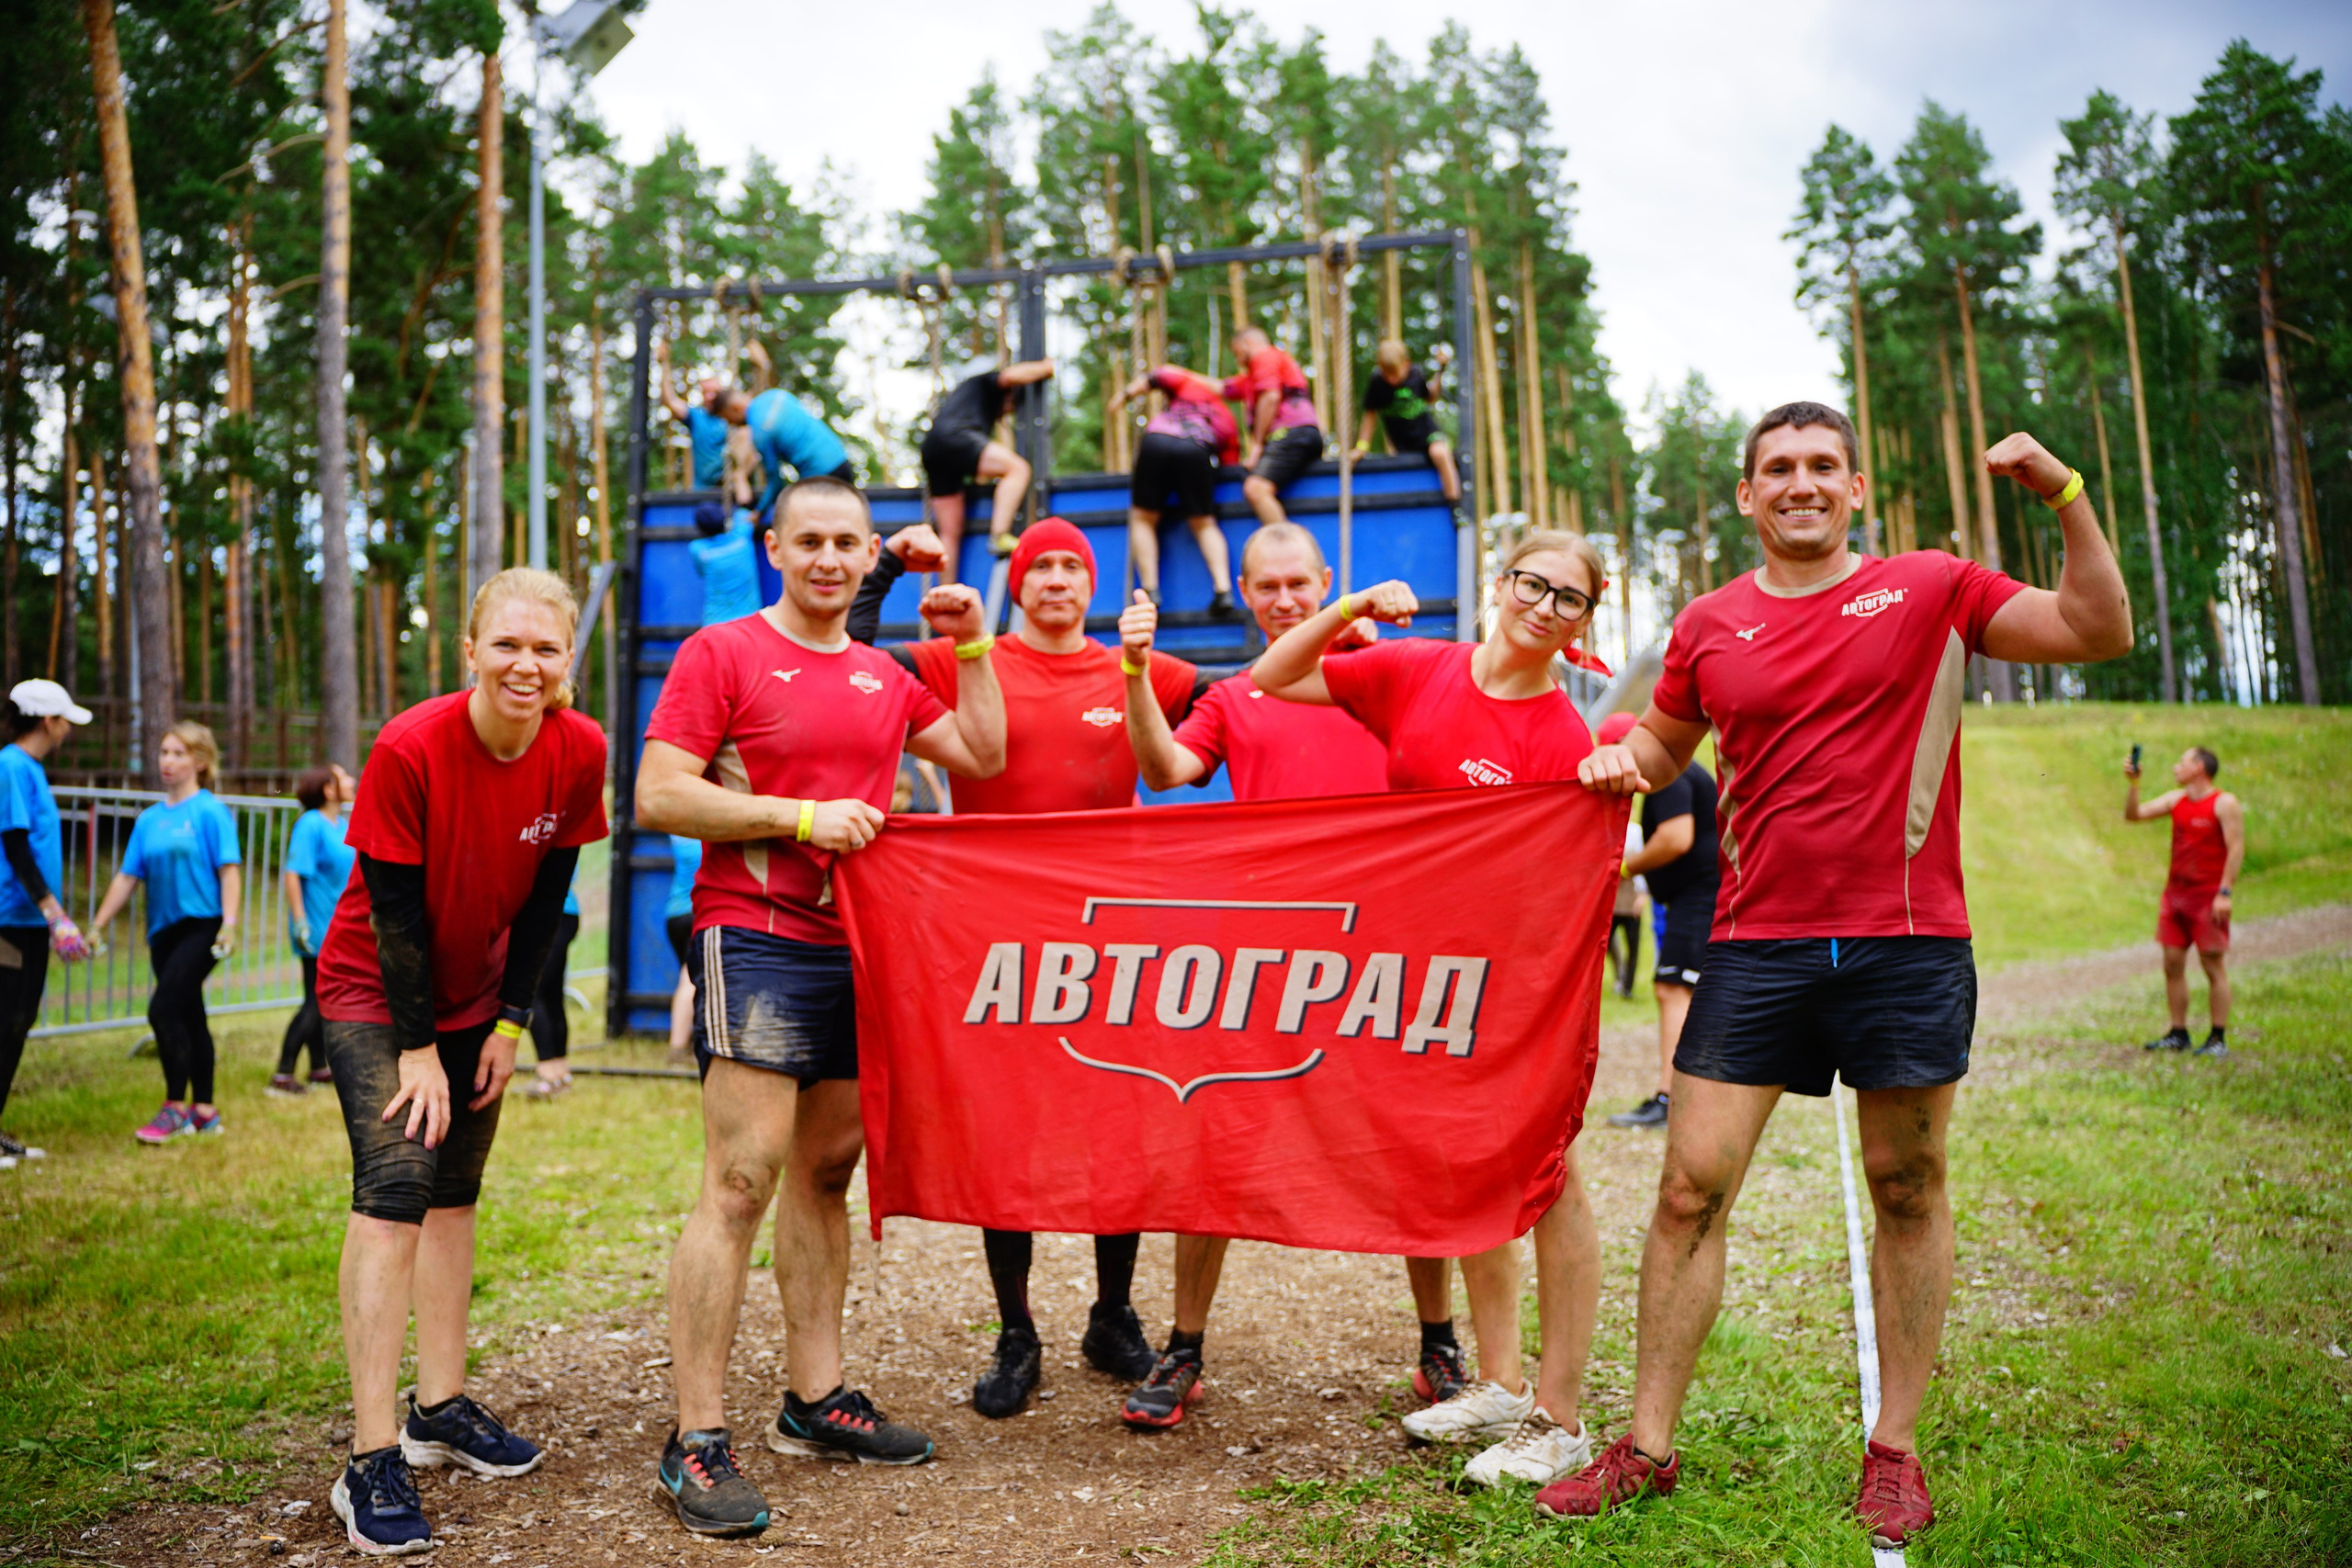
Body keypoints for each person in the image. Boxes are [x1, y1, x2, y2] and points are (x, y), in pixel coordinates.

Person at [1551, 406, 2132, 1548]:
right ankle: (1647, 1446)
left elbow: (2095, 628)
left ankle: (1895, 1452)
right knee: (1687, 1190)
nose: (1800, 483)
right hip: (1755, 944)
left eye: (1822, 466)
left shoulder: (1932, 589)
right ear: (1745, 495)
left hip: (1905, 944)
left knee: (1905, 1184)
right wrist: (1627, 756)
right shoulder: (1710, 622)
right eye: (1779, 468)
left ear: (1856, 489)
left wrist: (2064, 495)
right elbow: (1670, 745)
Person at [635, 475, 1005, 1539]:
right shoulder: (723, 652)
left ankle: (815, 1398)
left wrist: (972, 641)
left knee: (825, 1173)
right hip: (753, 936)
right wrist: (800, 815)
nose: (832, 560)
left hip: (862, 944)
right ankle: (695, 1438)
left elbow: (982, 754)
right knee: (742, 1179)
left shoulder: (884, 675)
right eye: (812, 542)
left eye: (848, 543)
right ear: (775, 546)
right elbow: (661, 792)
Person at [1251, 529, 1612, 1492]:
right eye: (1531, 583)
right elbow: (1276, 676)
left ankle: (1561, 1416)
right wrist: (1351, 607)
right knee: (1459, 1172)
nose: (1542, 605)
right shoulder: (1415, 668)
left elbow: (1562, 880)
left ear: (1583, 622)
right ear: (1500, 584)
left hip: (1505, 985)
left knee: (1549, 1175)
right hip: (1409, 974)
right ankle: (1496, 1382)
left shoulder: (1560, 737)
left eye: (1567, 599)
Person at [1114, 521, 1466, 1431]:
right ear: (1243, 589)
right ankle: (1183, 1348)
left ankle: (1440, 1344)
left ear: (1326, 581)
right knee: (1213, 1144)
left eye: (1297, 585)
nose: (1282, 601)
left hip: (1390, 955)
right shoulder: (1235, 694)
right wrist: (1132, 676)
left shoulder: (1404, 673)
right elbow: (1166, 767)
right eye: (1264, 587)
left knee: (1412, 1148)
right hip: (1268, 959)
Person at [853, 517, 1198, 1418]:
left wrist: (1344, 635)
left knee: (1116, 1116)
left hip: (1108, 941)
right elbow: (843, 657)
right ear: (1015, 583)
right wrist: (887, 563)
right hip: (991, 938)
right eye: (1037, 564)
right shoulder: (956, 657)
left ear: (1094, 585)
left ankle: (1113, 1312)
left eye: (1070, 566)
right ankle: (1016, 1331)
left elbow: (1247, 718)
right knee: (1001, 1129)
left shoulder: (1145, 669)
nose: (1053, 578)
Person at [311, 567, 607, 1555]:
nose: (528, 664)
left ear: (572, 659)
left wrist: (510, 1027)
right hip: (374, 993)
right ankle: (370, 1458)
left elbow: (547, 904)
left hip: (481, 1003)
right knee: (395, 1189)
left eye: (548, 648)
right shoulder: (410, 745)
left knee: (455, 1197)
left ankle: (439, 1407)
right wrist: (420, 1049)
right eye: (509, 645)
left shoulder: (580, 749)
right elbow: (392, 916)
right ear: (470, 652)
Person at [92, 722, 243, 1145]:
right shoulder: (149, 820)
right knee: (190, 1014)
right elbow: (126, 877)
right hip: (163, 933)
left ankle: (175, 1108)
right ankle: (206, 1112)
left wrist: (229, 925)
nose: (167, 761)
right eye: (163, 752)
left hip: (204, 926)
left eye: (178, 753)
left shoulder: (210, 811)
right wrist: (98, 924)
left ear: (199, 761)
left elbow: (229, 870)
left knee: (162, 1010)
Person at [0, 681, 95, 1171]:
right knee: (6, 1020)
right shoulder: (11, 765)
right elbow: (14, 845)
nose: (66, 731)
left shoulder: (28, 768)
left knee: (19, 1021)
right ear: (47, 721)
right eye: (63, 721)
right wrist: (54, 914)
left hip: (28, 919)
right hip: (9, 919)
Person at [1606, 742, 1720, 1132]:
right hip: (1698, 894)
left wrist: (1621, 869)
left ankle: (1671, 1099)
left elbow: (1675, 837)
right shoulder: (1677, 773)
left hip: (1701, 894)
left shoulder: (1666, 773)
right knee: (1688, 990)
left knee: (1674, 989)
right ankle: (1694, 1098)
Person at [2125, 746, 2243, 1057]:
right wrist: (2134, 784)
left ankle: (2217, 1038)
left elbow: (2236, 848)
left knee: (2212, 965)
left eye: (2183, 762)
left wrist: (2225, 892)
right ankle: (2179, 1033)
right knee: (2172, 964)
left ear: (2200, 768)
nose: (2176, 767)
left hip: (2208, 897)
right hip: (2175, 896)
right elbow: (2134, 815)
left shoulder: (2224, 803)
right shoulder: (2177, 800)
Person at [1108, 364, 1238, 615]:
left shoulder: (1189, 384)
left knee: (1143, 519)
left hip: (1157, 441)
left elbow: (1157, 375)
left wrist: (1122, 396)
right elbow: (1230, 467)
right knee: (1204, 524)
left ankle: (1151, 589)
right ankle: (1223, 590)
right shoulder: (1228, 422)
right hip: (1196, 448)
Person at [918, 357, 1056, 584]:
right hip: (956, 437)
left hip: (933, 448)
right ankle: (999, 535)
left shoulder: (964, 401)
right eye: (1013, 405)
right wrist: (1045, 368)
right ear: (1009, 394)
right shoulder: (985, 381)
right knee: (1018, 469)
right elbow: (1009, 376)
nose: (1009, 411)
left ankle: (946, 591)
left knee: (950, 533)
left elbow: (978, 467)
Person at [273, 763, 356, 1095]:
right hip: (317, 927)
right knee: (317, 1000)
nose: (351, 780)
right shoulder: (310, 825)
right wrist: (301, 921)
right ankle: (283, 1074)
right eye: (343, 777)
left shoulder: (340, 824)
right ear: (328, 789)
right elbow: (293, 873)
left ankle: (319, 1067)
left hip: (338, 928)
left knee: (324, 998)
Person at [718, 384, 855, 529]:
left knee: (797, 525)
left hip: (820, 478)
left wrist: (759, 512)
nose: (731, 424)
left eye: (728, 419)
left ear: (735, 409)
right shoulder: (776, 394)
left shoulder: (760, 432)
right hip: (842, 461)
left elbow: (776, 483)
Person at [1225, 327, 1322, 529]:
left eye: (1237, 353)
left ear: (1247, 344)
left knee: (1256, 489)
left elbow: (1270, 396)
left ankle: (1288, 548)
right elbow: (1221, 387)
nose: (1239, 361)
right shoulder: (1261, 373)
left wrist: (1257, 445)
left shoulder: (1264, 356)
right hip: (1305, 432)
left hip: (1292, 431)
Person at [1357, 340, 1459, 504]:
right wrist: (1362, 446)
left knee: (1440, 453)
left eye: (1395, 374)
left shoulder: (1416, 374)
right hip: (1401, 442)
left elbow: (1430, 397)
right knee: (1402, 470)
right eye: (1386, 374)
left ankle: (1455, 505)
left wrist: (1441, 369)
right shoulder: (1377, 382)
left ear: (1406, 364)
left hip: (1426, 432)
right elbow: (1370, 415)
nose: (1391, 379)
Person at [656, 340, 741, 505]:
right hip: (703, 489)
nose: (709, 397)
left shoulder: (732, 416)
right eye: (705, 393)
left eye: (713, 393)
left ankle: (738, 477)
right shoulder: (697, 416)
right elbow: (670, 401)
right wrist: (663, 364)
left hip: (731, 487)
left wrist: (761, 368)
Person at [521, 873, 582, 1098]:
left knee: (531, 992)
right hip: (564, 912)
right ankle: (559, 1071)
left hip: (550, 913)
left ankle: (547, 1074)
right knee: (551, 994)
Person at [690, 502, 766, 626]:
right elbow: (744, 507)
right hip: (748, 623)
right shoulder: (742, 535)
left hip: (714, 624)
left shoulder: (697, 549)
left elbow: (701, 572)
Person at [665, 834, 703, 1066]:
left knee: (690, 975)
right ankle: (678, 1047)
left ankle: (685, 1044)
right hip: (695, 915)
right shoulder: (709, 839)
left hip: (674, 916)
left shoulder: (679, 834)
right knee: (690, 979)